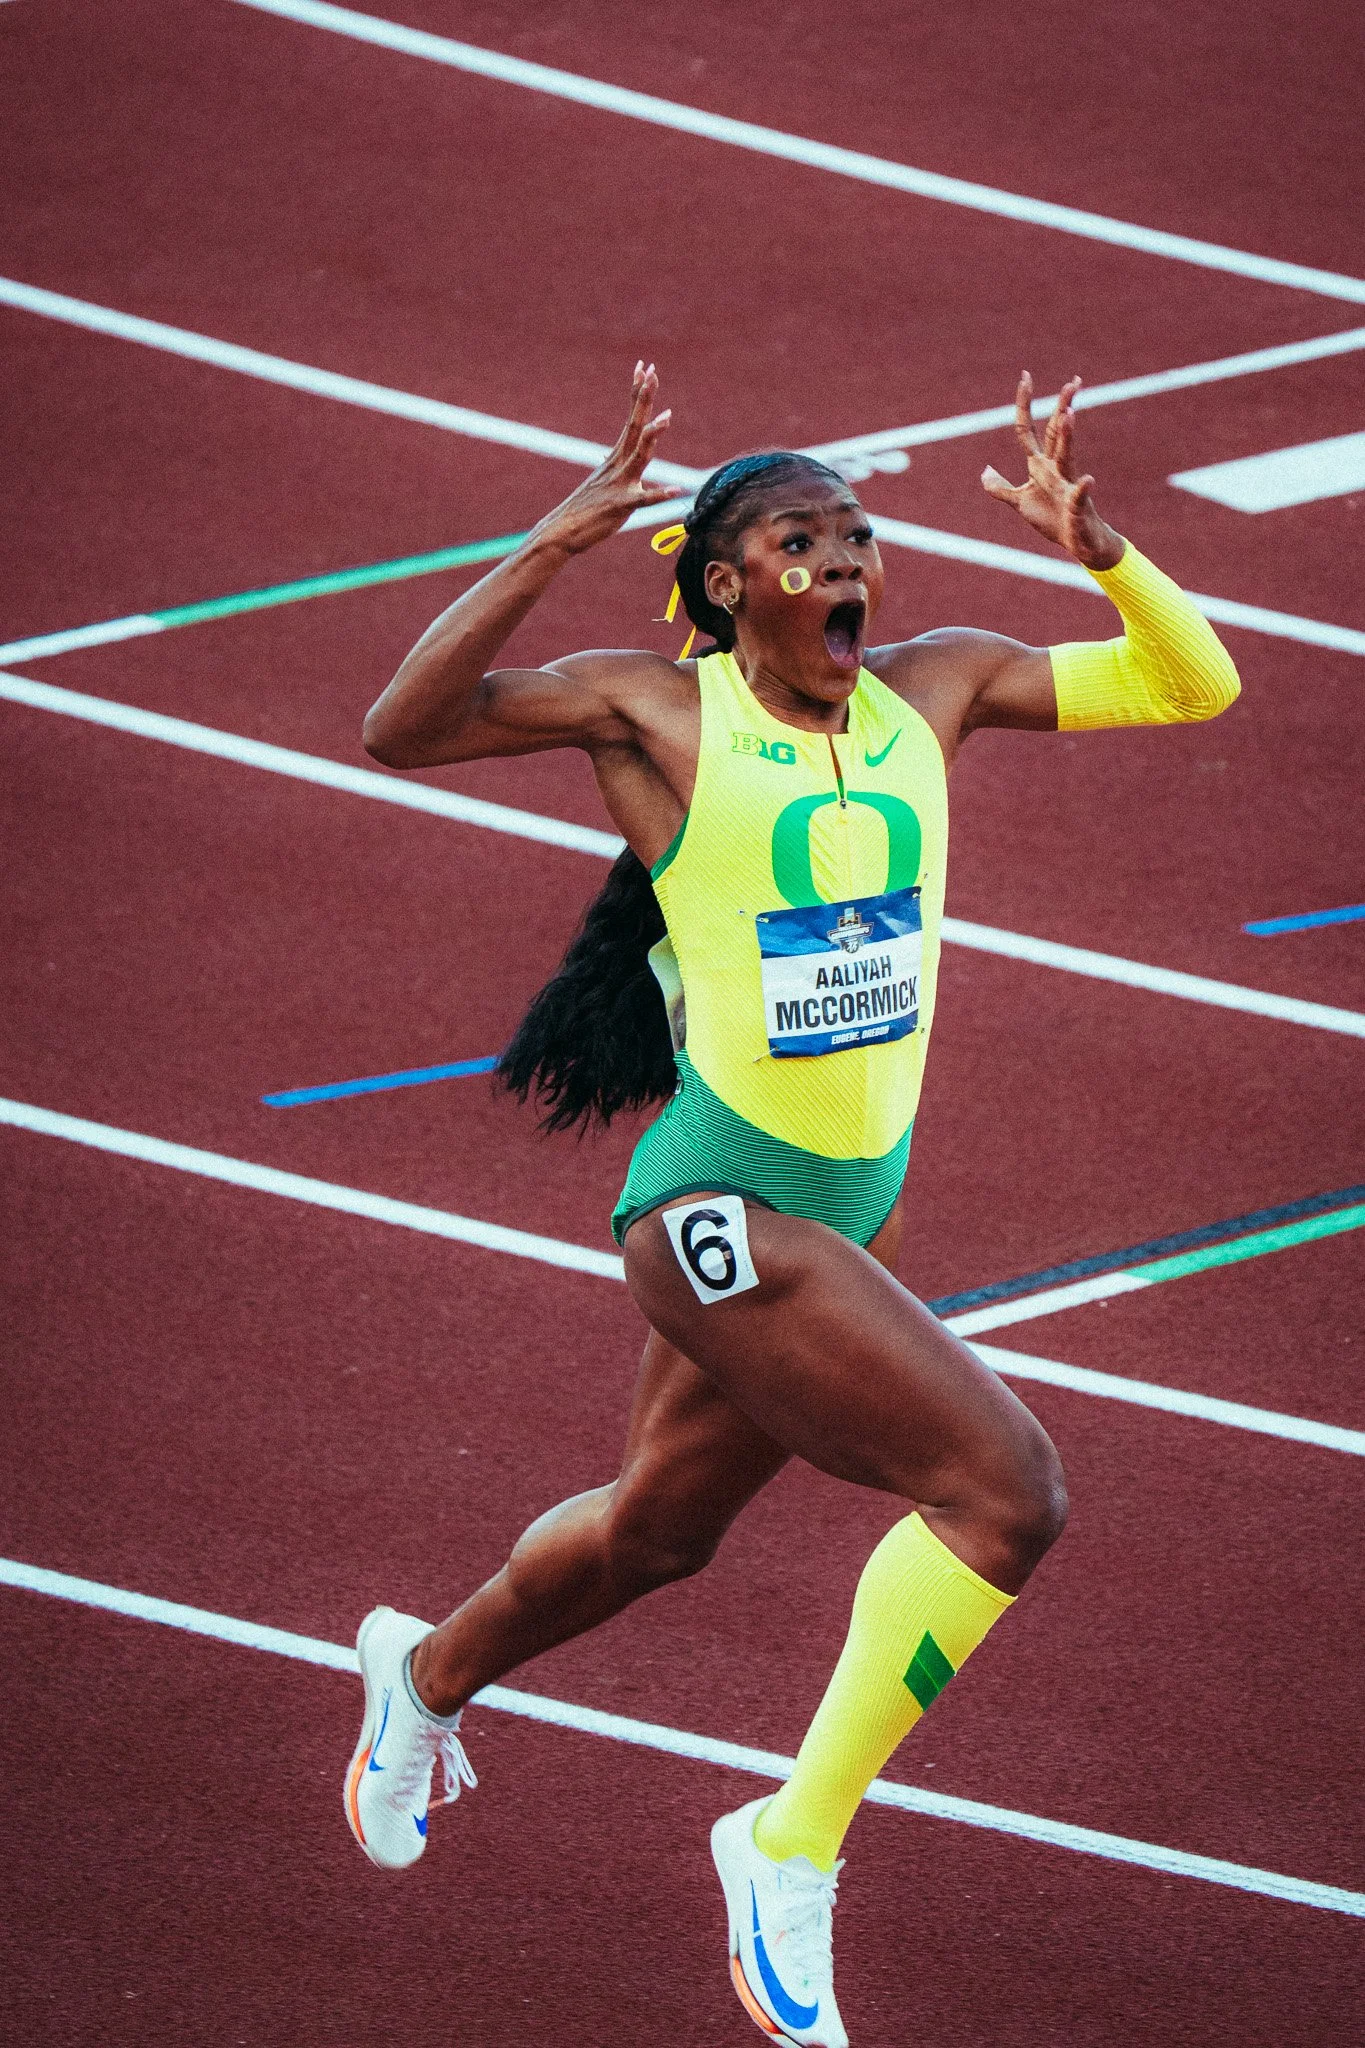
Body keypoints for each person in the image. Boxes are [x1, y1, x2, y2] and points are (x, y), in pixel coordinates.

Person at [347, 364, 1240, 2048]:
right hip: (712, 1213)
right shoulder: (661, 714)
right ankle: (786, 1843)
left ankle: (426, 1672)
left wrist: (1105, 546)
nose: (845, 559)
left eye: (854, 533)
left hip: (845, 1213)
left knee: (653, 1536)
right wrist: (552, 539)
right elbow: (403, 728)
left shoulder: (938, 688)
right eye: (796, 540)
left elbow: (1193, 686)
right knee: (1011, 1496)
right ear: (723, 584)